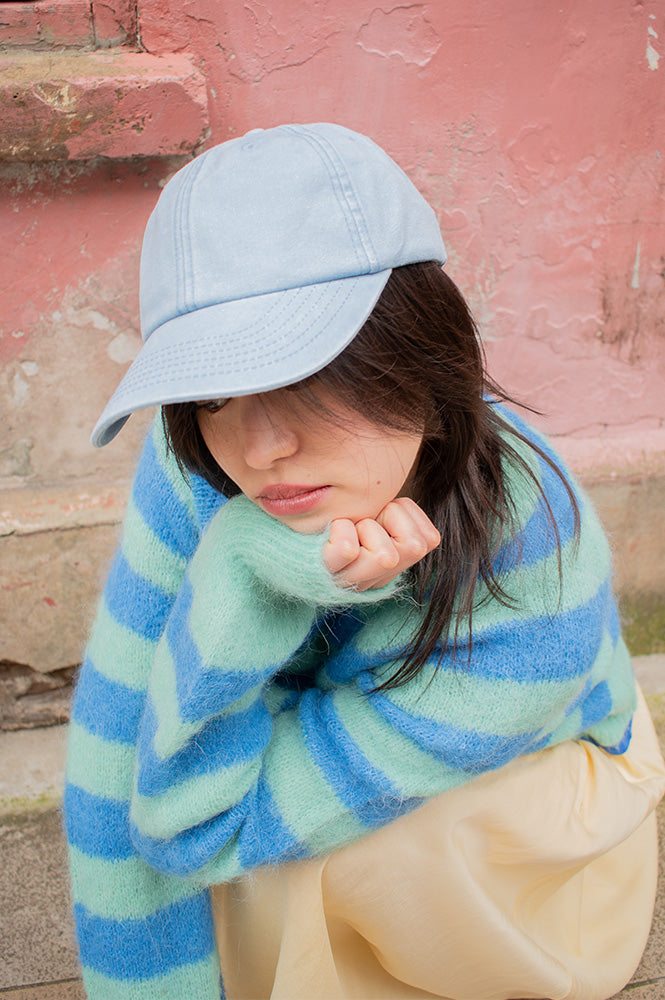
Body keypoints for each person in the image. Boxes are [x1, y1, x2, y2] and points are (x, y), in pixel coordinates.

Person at [65, 123, 665, 1000]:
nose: (261, 447)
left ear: (422, 355)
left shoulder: (533, 574)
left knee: (344, 856)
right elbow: (114, 773)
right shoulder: (193, 462)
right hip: (328, 732)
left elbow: (192, 827)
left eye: (304, 373)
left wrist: (243, 607)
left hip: (540, 780)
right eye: (216, 391)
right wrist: (242, 564)